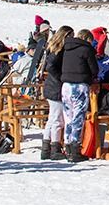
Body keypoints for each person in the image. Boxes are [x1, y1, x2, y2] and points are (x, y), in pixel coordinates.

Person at [54, 27, 98, 162]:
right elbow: (94, 69)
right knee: (78, 117)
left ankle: (67, 145)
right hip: (80, 85)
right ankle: (75, 149)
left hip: (66, 85)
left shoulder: (67, 48)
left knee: (68, 116)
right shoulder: (86, 50)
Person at [40, 26, 70, 160]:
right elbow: (50, 66)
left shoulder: (53, 48)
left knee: (52, 118)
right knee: (57, 119)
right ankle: (55, 147)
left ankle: (46, 146)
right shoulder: (58, 50)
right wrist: (61, 77)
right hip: (55, 87)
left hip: (51, 86)